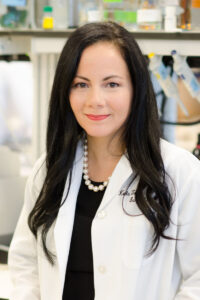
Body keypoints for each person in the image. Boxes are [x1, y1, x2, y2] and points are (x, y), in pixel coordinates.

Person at [8, 21, 200, 300]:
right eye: (81, 84)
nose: (95, 100)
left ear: (137, 89)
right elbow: (26, 263)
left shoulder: (181, 173)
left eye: (112, 84)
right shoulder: (49, 168)